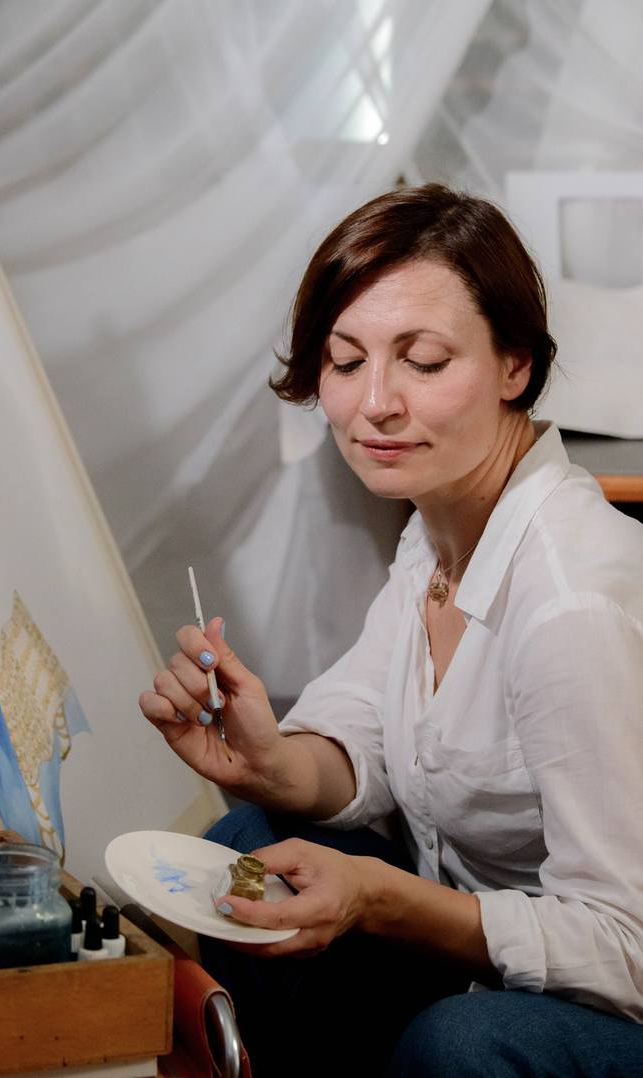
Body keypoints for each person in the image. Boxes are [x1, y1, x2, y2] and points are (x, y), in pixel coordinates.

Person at [139, 184, 643, 1075]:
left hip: (605, 998)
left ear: (515, 366)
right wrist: (269, 759)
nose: (375, 403)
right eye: (345, 360)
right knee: (245, 852)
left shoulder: (570, 607)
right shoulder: (438, 529)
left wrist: (380, 897)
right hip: (488, 968)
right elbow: (369, 731)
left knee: (458, 1046)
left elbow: (626, 948)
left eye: (424, 361)